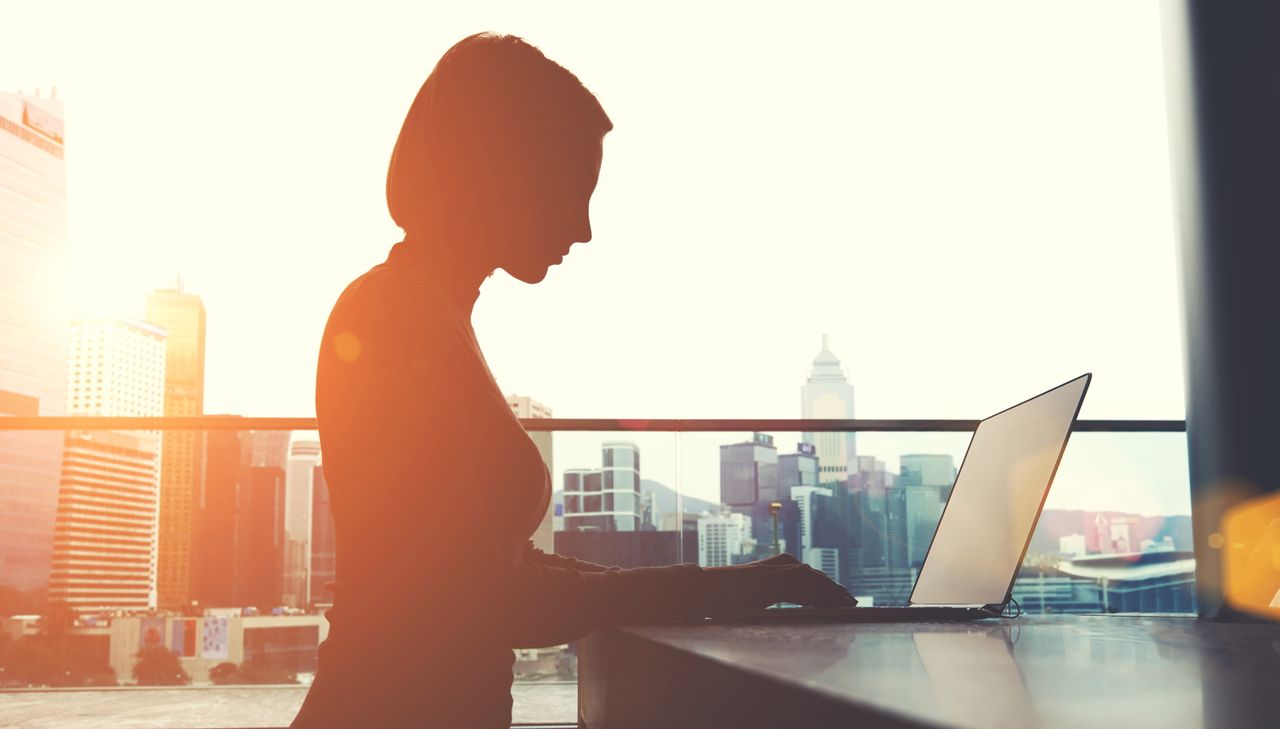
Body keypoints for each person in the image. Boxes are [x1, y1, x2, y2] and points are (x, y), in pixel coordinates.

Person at [290, 32, 856, 729]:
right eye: (569, 191)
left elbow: (486, 562)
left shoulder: (423, 312)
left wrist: (726, 584)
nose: (583, 229)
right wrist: (719, 586)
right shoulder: (395, 315)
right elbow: (483, 595)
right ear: (499, 173)